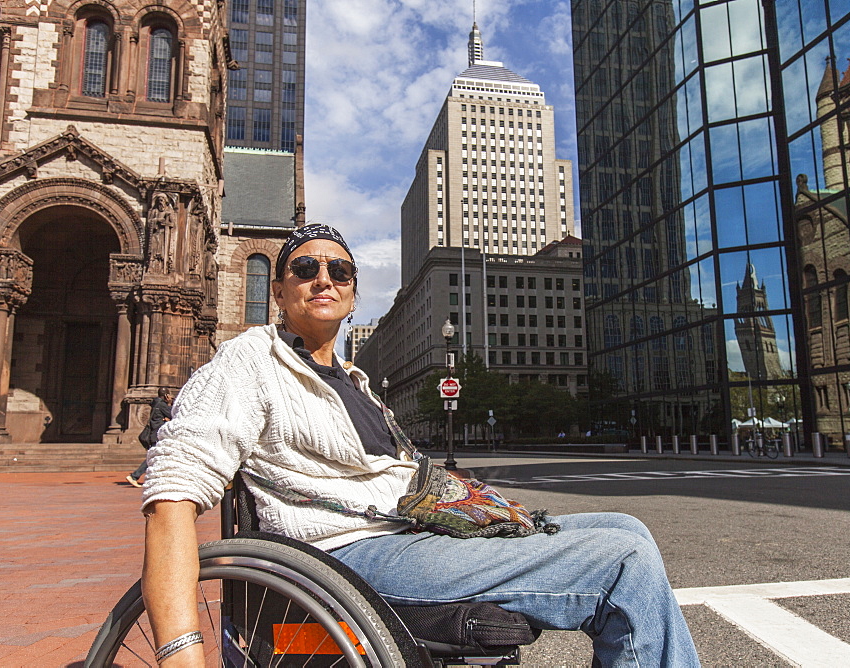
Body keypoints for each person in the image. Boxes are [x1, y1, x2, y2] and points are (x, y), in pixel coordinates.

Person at [140, 224, 700, 667]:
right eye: (304, 269)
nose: (323, 279)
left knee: (629, 528)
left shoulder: (357, 384)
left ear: (354, 295)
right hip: (348, 556)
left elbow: (410, 476)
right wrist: (180, 651)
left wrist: (484, 509)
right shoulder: (250, 362)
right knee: (623, 561)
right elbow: (173, 490)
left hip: (408, 535)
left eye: (339, 270)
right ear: (281, 291)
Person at [126, 387, 172, 488]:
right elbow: (172, 414)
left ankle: (158, 478)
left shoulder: (155, 404)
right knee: (152, 456)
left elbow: (157, 419)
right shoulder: (162, 405)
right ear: (166, 395)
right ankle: (134, 476)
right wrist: (169, 404)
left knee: (158, 456)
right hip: (156, 434)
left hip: (153, 433)